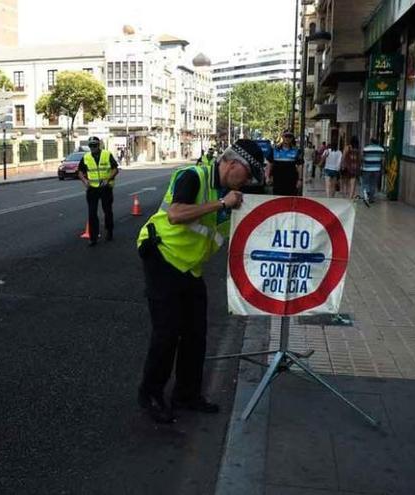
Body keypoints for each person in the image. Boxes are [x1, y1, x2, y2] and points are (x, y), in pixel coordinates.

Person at [136, 139, 266, 424]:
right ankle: (151, 394)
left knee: (195, 333)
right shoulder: (192, 177)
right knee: (167, 331)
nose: (246, 183)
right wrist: (221, 203)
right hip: (161, 255)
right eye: (247, 175)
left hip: (190, 267)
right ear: (232, 164)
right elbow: (175, 214)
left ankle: (187, 394)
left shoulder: (230, 195)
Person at [78, 136, 120, 246]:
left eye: (95, 145)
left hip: (105, 188)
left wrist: (108, 179)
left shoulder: (106, 154)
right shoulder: (86, 157)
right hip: (92, 188)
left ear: (99, 145)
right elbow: (80, 171)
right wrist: (85, 181)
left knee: (107, 211)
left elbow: (115, 169)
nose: (93, 147)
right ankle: (93, 237)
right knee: (92, 213)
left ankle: (109, 230)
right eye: (91, 145)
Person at [266, 131, 303, 196]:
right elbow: (269, 164)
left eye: (290, 136)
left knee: (290, 200)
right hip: (277, 180)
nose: (287, 138)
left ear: (292, 138)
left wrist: (300, 180)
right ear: (282, 137)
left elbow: (300, 166)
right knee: (277, 199)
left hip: (291, 181)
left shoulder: (297, 150)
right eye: (286, 136)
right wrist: (267, 177)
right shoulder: (274, 149)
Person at [362, 138, 385, 204]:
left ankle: (367, 193)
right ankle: (371, 198)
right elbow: (383, 160)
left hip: (367, 169)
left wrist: (362, 166)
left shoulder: (366, 149)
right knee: (373, 183)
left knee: (365, 182)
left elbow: (363, 158)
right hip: (377, 169)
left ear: (371, 142)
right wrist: (383, 168)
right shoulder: (381, 149)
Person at [341, 136, 363, 201]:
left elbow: (343, 157)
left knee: (346, 182)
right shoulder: (358, 149)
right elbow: (360, 159)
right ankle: (350, 197)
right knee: (353, 183)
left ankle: (346, 195)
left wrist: (342, 165)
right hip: (355, 168)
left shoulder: (347, 147)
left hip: (347, 167)